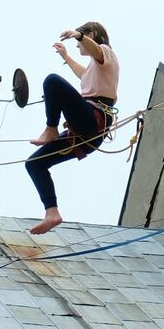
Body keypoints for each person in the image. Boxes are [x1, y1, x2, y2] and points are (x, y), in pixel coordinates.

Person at [25, 22, 120, 235]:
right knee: (34, 164)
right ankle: (52, 213)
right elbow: (84, 75)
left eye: (81, 43)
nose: (79, 48)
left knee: (52, 81)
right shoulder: (96, 70)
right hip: (84, 132)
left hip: (93, 120)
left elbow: (95, 49)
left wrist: (78, 35)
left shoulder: (106, 53)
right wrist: (67, 58)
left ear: (91, 34)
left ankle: (51, 128)